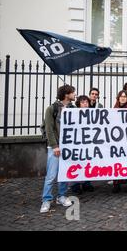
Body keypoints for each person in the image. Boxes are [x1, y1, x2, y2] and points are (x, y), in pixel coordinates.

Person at [40, 85, 76, 213]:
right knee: (51, 175)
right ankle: (46, 199)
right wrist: (55, 146)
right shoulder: (51, 109)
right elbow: (49, 129)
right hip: (54, 147)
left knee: (64, 174)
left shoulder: (73, 108)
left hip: (68, 147)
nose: (75, 95)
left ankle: (61, 196)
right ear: (67, 94)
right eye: (73, 93)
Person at [70, 95, 95, 195]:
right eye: (83, 102)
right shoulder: (73, 114)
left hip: (88, 143)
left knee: (87, 163)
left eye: (86, 102)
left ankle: (86, 183)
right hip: (76, 144)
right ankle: (75, 184)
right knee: (76, 164)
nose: (85, 104)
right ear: (79, 104)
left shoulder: (93, 114)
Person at [112, 90, 127, 193]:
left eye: (125, 97)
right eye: (121, 96)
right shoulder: (114, 109)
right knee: (117, 161)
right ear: (118, 98)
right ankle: (116, 183)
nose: (123, 98)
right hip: (117, 140)